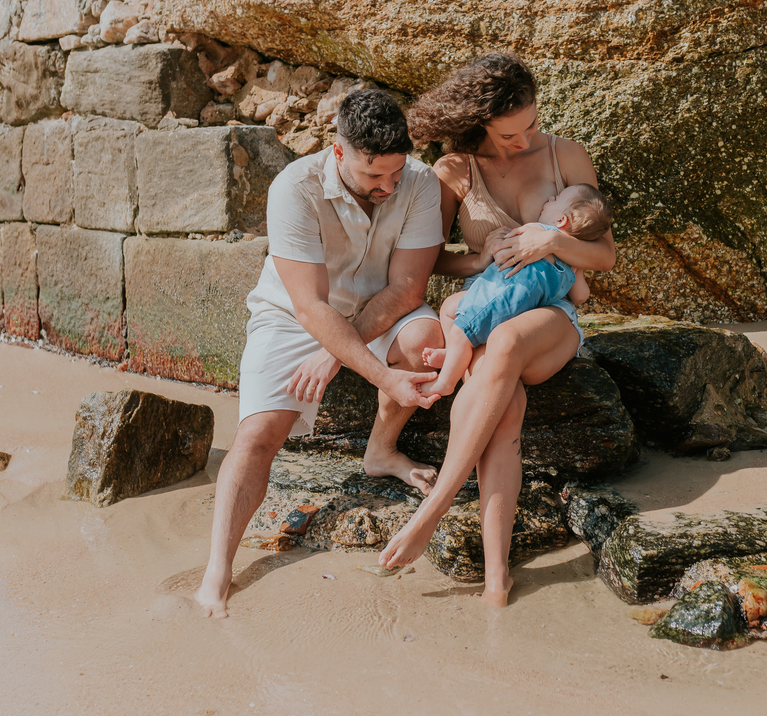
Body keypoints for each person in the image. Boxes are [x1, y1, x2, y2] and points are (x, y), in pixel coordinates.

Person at [194, 89, 447, 618]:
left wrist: (337, 355)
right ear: (338, 151)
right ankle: (218, 568)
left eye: (395, 172)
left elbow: (407, 288)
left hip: (382, 309)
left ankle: (381, 452)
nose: (388, 186)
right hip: (293, 315)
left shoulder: (421, 182)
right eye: (373, 175)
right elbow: (309, 306)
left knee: (425, 340)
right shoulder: (295, 187)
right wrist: (377, 373)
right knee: (257, 435)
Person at [378, 54, 616, 606]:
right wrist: (479, 258)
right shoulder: (454, 170)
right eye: (510, 133)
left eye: (532, 124)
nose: (525, 139)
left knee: (507, 343)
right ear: (479, 121)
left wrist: (552, 241)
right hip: (482, 312)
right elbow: (429, 259)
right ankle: (495, 580)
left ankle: (432, 511)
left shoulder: (565, 155)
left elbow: (604, 254)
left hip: (549, 318)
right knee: (505, 409)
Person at [421, 184, 613, 397]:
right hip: (527, 311)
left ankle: (446, 381)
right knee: (451, 306)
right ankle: (454, 355)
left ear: (561, 220)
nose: (551, 198)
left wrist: (496, 243)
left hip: (500, 295)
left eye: (557, 198)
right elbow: (580, 296)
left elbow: (502, 253)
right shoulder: (574, 262)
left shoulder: (536, 231)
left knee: (459, 326)